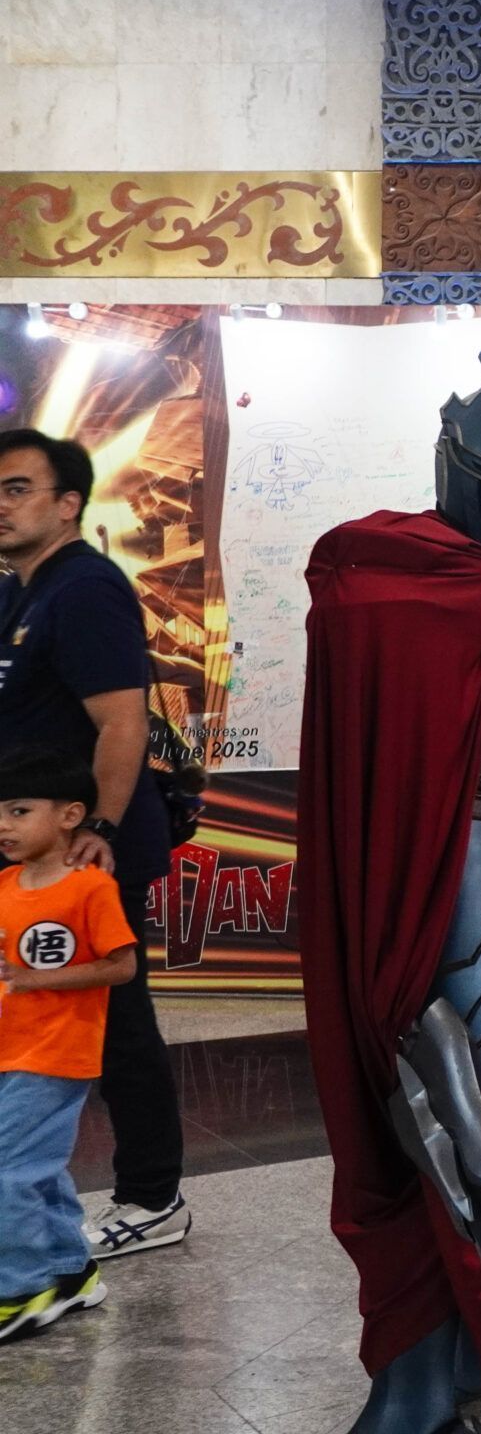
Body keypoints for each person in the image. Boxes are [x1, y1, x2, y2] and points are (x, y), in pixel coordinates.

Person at [0, 429, 187, 1258]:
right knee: (40, 1010)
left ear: (69, 503)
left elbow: (122, 723)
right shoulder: (20, 591)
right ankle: (33, 1188)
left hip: (84, 849)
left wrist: (99, 831)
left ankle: (153, 1195)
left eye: (17, 489)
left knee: (114, 1020)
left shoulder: (83, 589)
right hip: (33, 844)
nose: (1, 506)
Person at [0, 750, 136, 1343]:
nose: (4, 825)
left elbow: (122, 966)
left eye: (19, 811)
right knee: (36, 1167)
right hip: (9, 1049)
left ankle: (22, 1289)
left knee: (8, 1170)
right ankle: (70, 1270)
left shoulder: (89, 888)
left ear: (69, 815)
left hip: (57, 1054)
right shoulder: (4, 885)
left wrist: (37, 980)